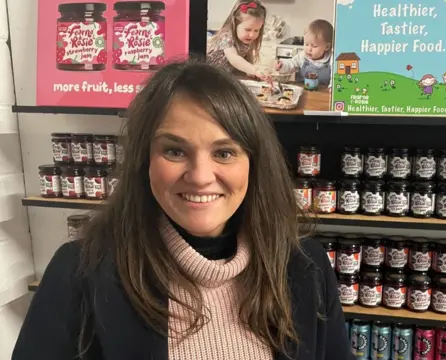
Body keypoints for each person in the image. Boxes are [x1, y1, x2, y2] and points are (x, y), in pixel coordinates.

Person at [12, 58, 353, 360]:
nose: (201, 177)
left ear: (254, 163)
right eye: (175, 151)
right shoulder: (79, 272)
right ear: (144, 160)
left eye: (224, 153)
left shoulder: (305, 265)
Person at [207, 0, 271, 81]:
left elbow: (248, 55)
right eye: (248, 29)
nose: (252, 35)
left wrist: (250, 72)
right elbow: (234, 59)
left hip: (223, 78)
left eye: (256, 30)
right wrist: (255, 70)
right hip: (209, 77)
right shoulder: (226, 36)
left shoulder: (245, 39)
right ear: (235, 24)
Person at [276, 19, 333, 86]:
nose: (309, 49)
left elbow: (335, 77)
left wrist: (332, 87)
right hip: (303, 91)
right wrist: (282, 65)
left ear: (327, 47)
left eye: (314, 46)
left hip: (322, 94)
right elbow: (291, 63)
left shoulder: (331, 59)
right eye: (306, 44)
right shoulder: (302, 56)